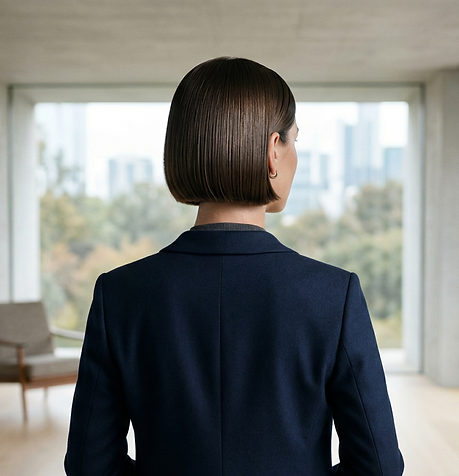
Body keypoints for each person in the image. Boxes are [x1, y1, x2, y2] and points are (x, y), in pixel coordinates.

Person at [64, 57, 404, 476]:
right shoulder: (334, 294)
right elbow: (379, 467)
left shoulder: (119, 294)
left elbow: (88, 465)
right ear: (273, 151)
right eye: (294, 141)